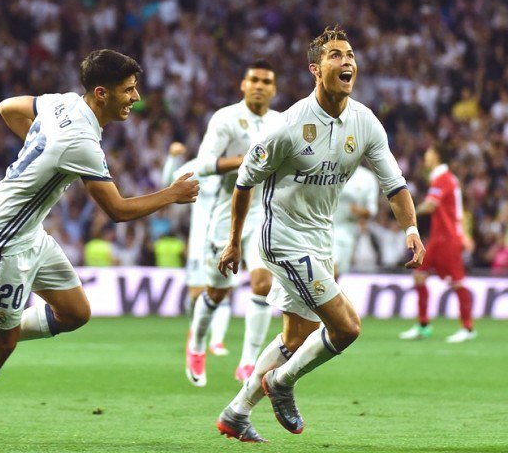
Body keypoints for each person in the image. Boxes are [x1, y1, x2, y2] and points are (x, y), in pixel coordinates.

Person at [0, 49, 199, 444]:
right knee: (1, 345)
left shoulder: (61, 104)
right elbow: (118, 211)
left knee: (75, 312)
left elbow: (9, 107)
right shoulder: (80, 143)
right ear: (101, 93)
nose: (136, 97)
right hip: (1, 242)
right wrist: (173, 194)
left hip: (30, 235)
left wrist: (40, 149)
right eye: (128, 90)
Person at [215, 25, 425, 442]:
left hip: (320, 238)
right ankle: (281, 383)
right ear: (315, 69)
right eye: (335, 55)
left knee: (298, 335)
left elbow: (395, 185)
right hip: (282, 237)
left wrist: (412, 229)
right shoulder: (289, 126)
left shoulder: (364, 122)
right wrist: (234, 239)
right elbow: (243, 181)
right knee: (347, 327)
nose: (346, 61)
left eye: (349, 55)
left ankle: (236, 412)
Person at [185, 59, 282, 387]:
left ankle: (248, 363)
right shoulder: (225, 118)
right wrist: (246, 161)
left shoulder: (281, 123)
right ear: (243, 84)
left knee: (263, 285)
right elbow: (203, 164)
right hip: (226, 217)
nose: (259, 85)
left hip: (263, 217)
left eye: (266, 81)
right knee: (216, 292)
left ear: (273, 89)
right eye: (253, 79)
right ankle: (197, 345)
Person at [399, 142, 476, 343]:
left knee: (457, 281)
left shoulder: (443, 178)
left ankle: (467, 328)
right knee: (419, 276)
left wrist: (408, 213)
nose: (426, 156)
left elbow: (431, 205)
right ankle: (424, 325)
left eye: (429, 152)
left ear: (437, 156)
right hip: (438, 237)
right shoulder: (443, 178)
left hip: (449, 238)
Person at [161, 142, 232, 356]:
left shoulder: (235, 167)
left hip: (225, 238)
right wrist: (173, 158)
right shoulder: (197, 166)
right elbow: (168, 184)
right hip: (200, 240)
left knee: (222, 290)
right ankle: (196, 332)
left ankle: (217, 341)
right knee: (195, 294)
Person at [332, 165, 379, 278]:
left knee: (337, 274)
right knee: (331, 269)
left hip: (348, 231)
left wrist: (357, 211)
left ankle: (326, 295)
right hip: (325, 226)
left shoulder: (367, 178)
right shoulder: (329, 168)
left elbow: (371, 210)